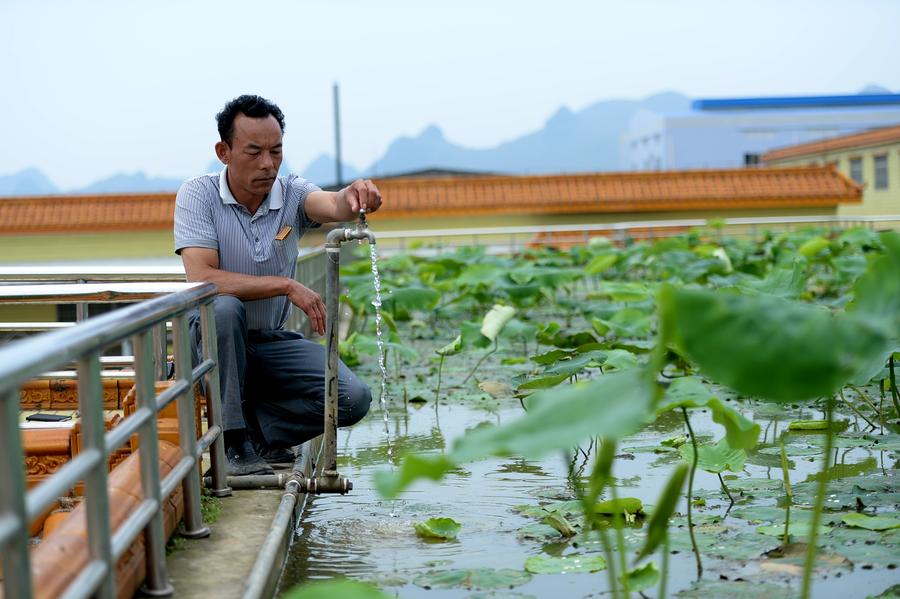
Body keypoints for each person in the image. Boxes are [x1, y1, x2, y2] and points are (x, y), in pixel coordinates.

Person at [174, 94, 382, 476]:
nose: (268, 164)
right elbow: (204, 279)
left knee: (352, 399)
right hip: (208, 344)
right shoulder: (197, 195)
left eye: (275, 150)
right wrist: (285, 286)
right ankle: (232, 445)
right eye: (254, 152)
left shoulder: (292, 194)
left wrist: (352, 198)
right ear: (224, 151)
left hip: (267, 342)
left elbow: (331, 205)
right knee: (224, 306)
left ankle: (258, 433)